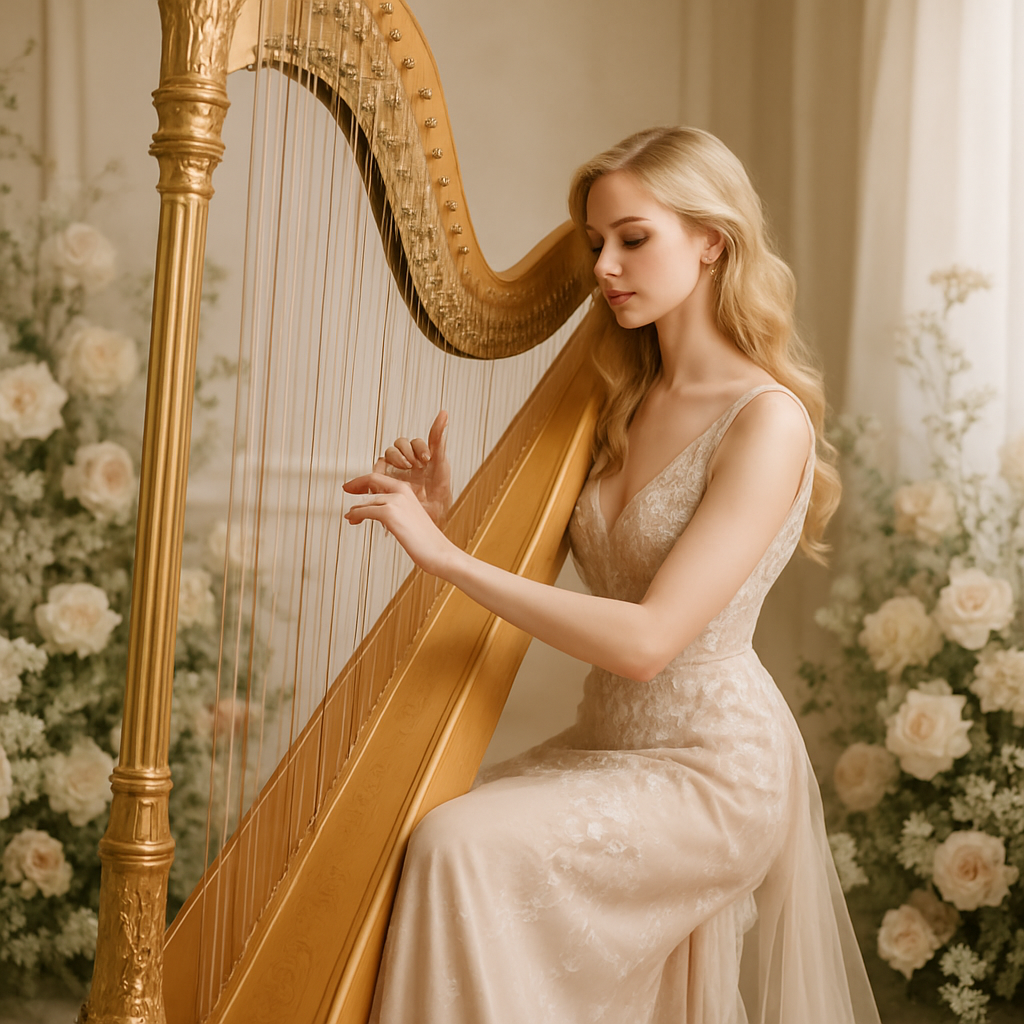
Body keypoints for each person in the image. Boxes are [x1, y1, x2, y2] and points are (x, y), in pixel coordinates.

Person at [344, 126, 881, 1024]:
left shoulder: (766, 421)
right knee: (405, 834)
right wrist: (450, 522)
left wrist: (443, 558)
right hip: (608, 745)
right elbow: (546, 566)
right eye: (598, 244)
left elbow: (647, 641)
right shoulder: (618, 400)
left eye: (635, 238)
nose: (605, 265)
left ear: (712, 240)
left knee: (457, 846)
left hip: (713, 771)